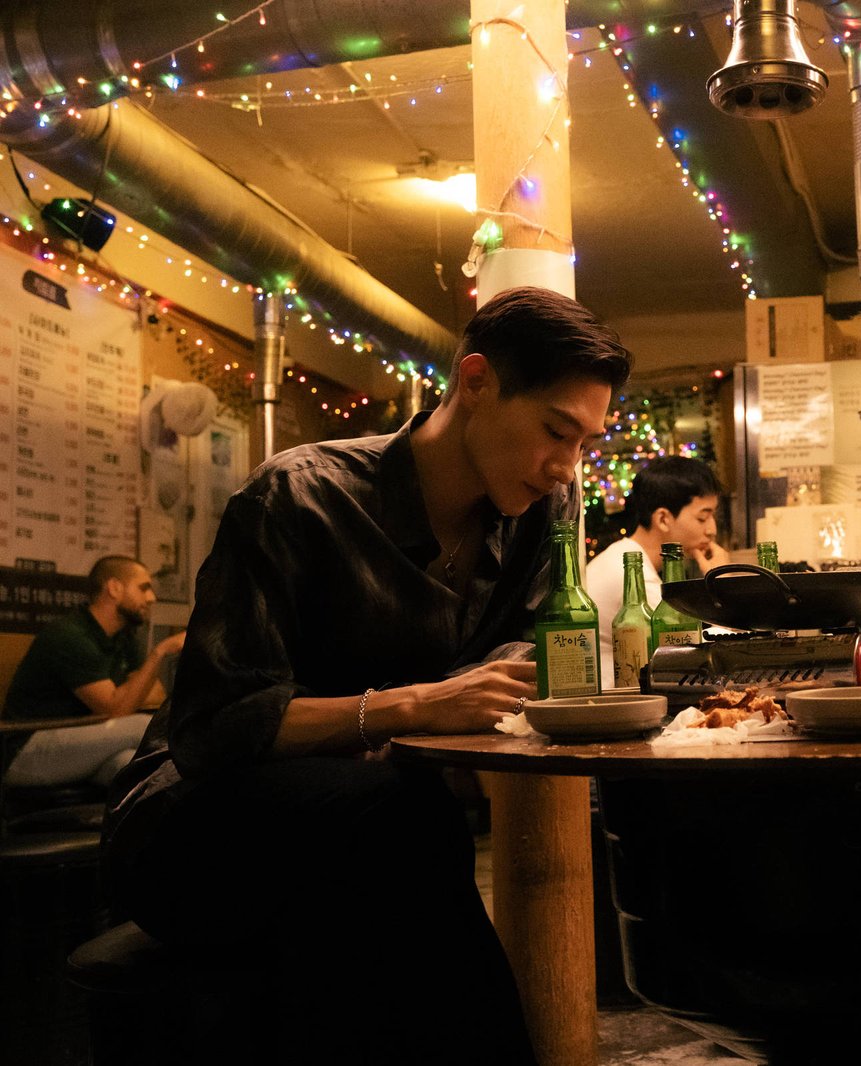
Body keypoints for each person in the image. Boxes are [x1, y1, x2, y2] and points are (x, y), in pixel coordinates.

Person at [102, 286, 632, 1064]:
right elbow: (213, 728)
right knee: (400, 827)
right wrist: (412, 707)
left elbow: (533, 644)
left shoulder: (538, 514)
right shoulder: (300, 495)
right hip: (192, 826)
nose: (566, 468)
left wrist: (497, 683)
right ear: (476, 382)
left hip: (369, 829)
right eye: (558, 432)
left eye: (585, 442)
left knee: (384, 887)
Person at [2, 556, 185, 788]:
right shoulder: (71, 636)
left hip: (84, 740)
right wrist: (160, 652)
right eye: (144, 588)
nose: (151, 598)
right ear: (114, 588)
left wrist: (124, 696)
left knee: (131, 764)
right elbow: (116, 710)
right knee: (143, 726)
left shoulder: (124, 637)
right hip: (26, 748)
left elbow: (155, 695)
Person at [587, 455, 726, 683]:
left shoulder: (626, 555)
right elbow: (696, 651)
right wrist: (721, 581)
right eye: (703, 518)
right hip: (612, 696)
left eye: (713, 516)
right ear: (663, 519)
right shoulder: (633, 574)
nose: (712, 530)